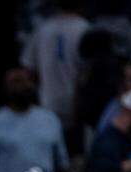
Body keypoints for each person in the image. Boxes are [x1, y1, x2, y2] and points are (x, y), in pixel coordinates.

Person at [20, 0, 89, 131]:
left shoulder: (43, 29)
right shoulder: (85, 29)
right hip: (73, 109)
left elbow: (27, 70)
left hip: (49, 105)